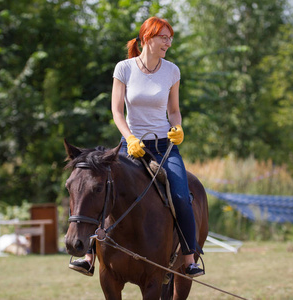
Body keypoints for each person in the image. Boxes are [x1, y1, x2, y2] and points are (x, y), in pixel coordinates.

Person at [69, 16, 204, 278]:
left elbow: (174, 111)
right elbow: (116, 111)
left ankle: (188, 258)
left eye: (170, 37)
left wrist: (177, 128)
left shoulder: (172, 70)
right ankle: (89, 256)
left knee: (180, 196)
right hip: (129, 146)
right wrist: (130, 138)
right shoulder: (124, 68)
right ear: (146, 38)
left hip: (164, 147)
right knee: (102, 190)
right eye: (163, 37)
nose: (168, 42)